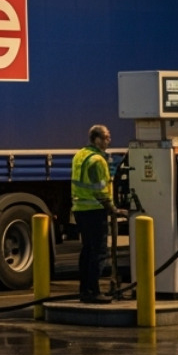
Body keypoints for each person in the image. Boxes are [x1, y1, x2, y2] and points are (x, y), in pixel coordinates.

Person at [71, 124, 115, 304]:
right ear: (96, 139)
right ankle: (94, 291)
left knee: (87, 250)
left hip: (80, 210)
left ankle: (84, 290)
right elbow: (100, 190)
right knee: (98, 252)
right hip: (95, 210)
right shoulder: (97, 160)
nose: (109, 140)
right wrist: (112, 208)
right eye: (106, 137)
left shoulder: (80, 155)